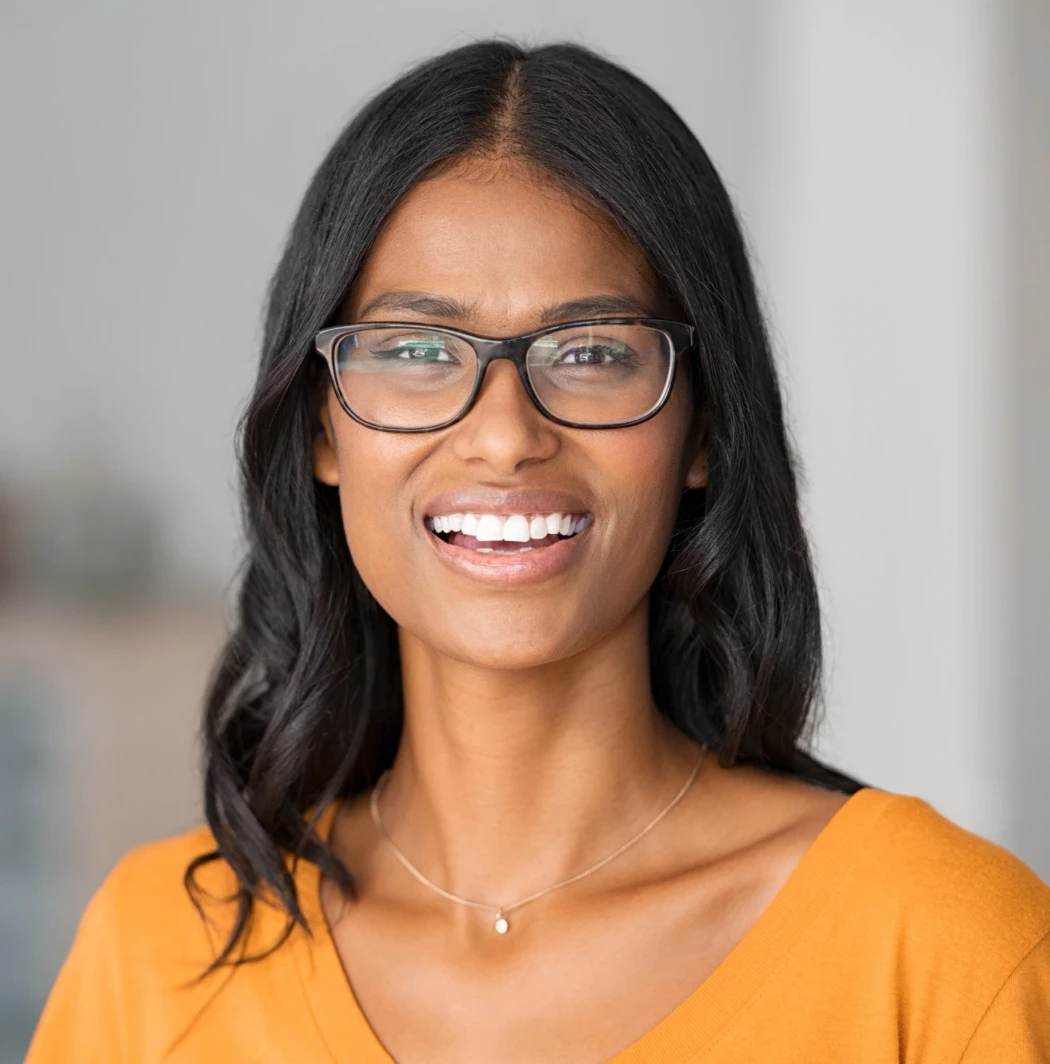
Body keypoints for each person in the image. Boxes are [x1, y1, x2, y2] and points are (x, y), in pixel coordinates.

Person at [26, 38, 1050, 1063]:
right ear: (324, 428)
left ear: (700, 430)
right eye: (420, 350)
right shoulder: (157, 955)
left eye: (593, 352)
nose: (507, 434)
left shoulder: (941, 943)